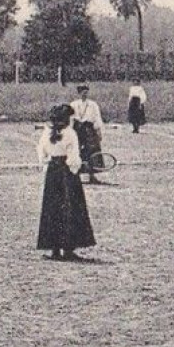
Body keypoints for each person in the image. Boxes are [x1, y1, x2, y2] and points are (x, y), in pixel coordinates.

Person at [36, 104, 95, 261]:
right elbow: (73, 158)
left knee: (52, 209)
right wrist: (77, 167)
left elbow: (41, 155)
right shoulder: (70, 133)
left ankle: (54, 249)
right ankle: (68, 249)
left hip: (52, 173)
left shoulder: (46, 133)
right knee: (71, 209)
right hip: (67, 174)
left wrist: (50, 163)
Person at [70, 85, 106, 184]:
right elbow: (71, 119)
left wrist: (98, 131)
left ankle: (92, 175)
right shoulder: (73, 105)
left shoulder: (93, 105)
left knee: (92, 151)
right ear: (79, 93)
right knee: (76, 150)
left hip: (89, 129)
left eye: (86, 92)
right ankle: (75, 175)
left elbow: (97, 118)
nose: (84, 94)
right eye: (82, 92)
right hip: (77, 129)